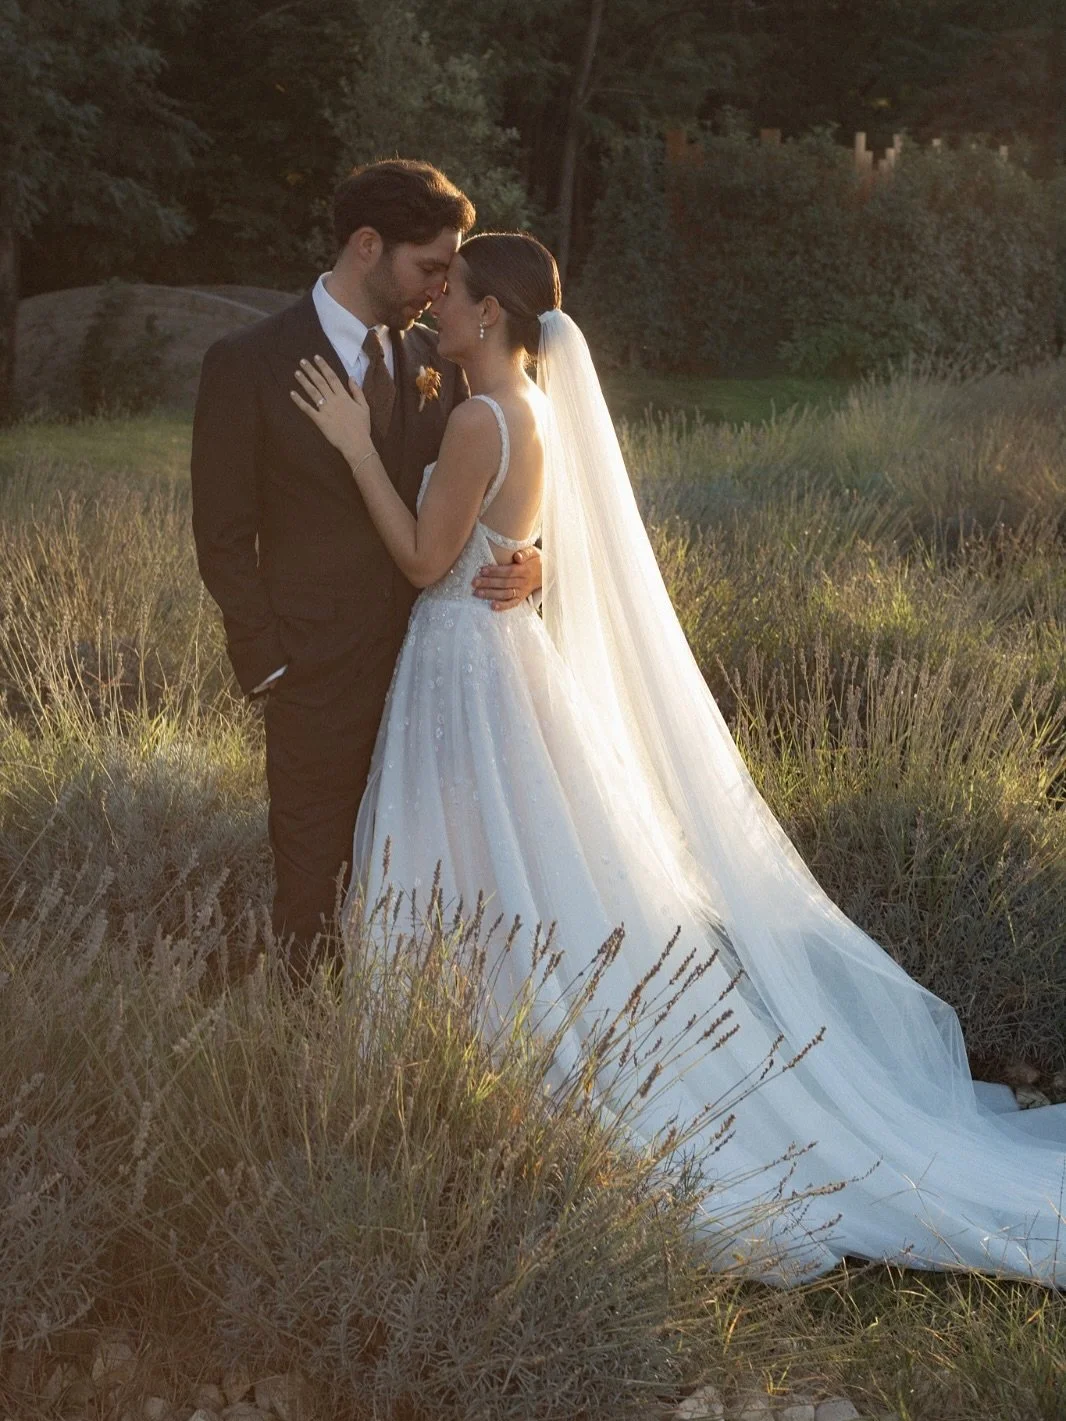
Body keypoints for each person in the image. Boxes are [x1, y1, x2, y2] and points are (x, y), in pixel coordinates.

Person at [289, 230, 1066, 1287]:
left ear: (492, 314)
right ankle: (472, 1072)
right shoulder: (531, 405)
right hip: (498, 659)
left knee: (462, 871)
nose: (437, 306)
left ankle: (459, 1081)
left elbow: (429, 560)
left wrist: (352, 446)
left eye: (453, 292)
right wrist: (529, 556)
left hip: (464, 664)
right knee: (506, 876)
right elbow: (514, 534)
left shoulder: (478, 417)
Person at [190, 162, 542, 980]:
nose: (440, 288)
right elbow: (222, 535)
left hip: (436, 679)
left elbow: (498, 477)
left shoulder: (443, 359)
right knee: (311, 888)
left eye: (449, 275)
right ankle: (305, 1042)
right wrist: (269, 663)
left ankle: (412, 1033)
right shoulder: (248, 361)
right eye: (429, 268)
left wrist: (531, 559)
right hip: (313, 676)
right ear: (368, 245)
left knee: (432, 881)